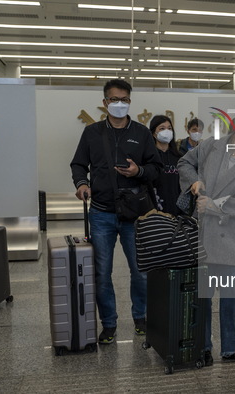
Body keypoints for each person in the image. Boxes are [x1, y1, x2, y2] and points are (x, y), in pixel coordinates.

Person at [70, 79, 162, 344]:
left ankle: (141, 318)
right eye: (114, 100)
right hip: (101, 213)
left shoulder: (142, 133)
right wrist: (82, 183)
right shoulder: (92, 132)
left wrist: (138, 171)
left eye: (124, 100)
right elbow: (78, 164)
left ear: (130, 102)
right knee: (101, 272)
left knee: (141, 271)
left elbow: (155, 169)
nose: (119, 104)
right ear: (104, 103)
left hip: (135, 215)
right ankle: (109, 323)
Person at [178, 104, 235, 366]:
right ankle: (203, 346)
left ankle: (231, 348)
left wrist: (215, 206)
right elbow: (184, 162)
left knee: (233, 300)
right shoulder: (212, 146)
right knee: (203, 298)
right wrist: (194, 180)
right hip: (204, 238)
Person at [149, 115, 182, 216]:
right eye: (162, 128)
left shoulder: (179, 157)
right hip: (156, 211)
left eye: (169, 128)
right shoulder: (149, 157)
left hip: (178, 210)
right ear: (154, 133)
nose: (167, 131)